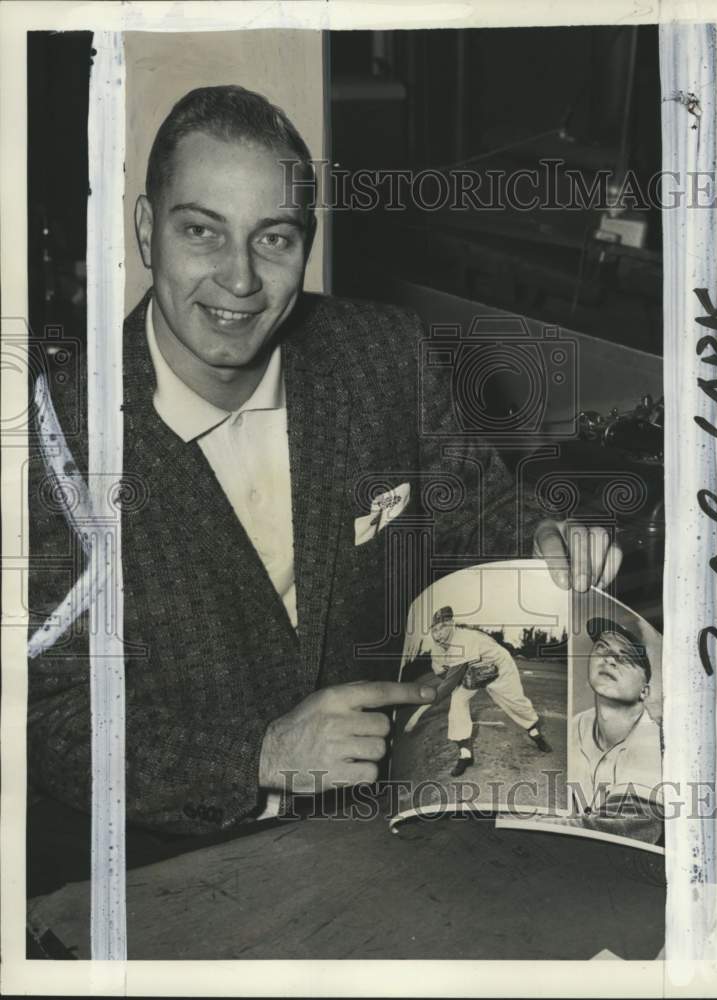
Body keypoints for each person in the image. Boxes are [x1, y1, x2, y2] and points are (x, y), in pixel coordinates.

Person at [27, 85, 621, 835]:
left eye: (272, 237)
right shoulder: (56, 435)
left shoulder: (383, 354)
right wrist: (256, 755)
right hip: (167, 861)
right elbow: (42, 714)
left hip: (384, 825)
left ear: (305, 240)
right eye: (202, 232)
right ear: (147, 231)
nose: (239, 280)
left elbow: (474, 509)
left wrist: (543, 538)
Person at [422, 606, 551, 776]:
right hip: (471, 670)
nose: (437, 634)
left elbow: (450, 680)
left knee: (515, 702)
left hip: (498, 666)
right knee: (458, 701)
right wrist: (456, 682)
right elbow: (443, 674)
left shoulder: (463, 638)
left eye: (442, 628)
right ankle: (465, 755)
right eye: (434, 630)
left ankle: (535, 733)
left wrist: (435, 696)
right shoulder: (437, 650)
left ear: (451, 625)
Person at [568, 616, 663, 842]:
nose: (609, 659)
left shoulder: (655, 742)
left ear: (645, 690)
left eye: (627, 657)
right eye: (602, 647)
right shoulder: (577, 724)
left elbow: (615, 832)